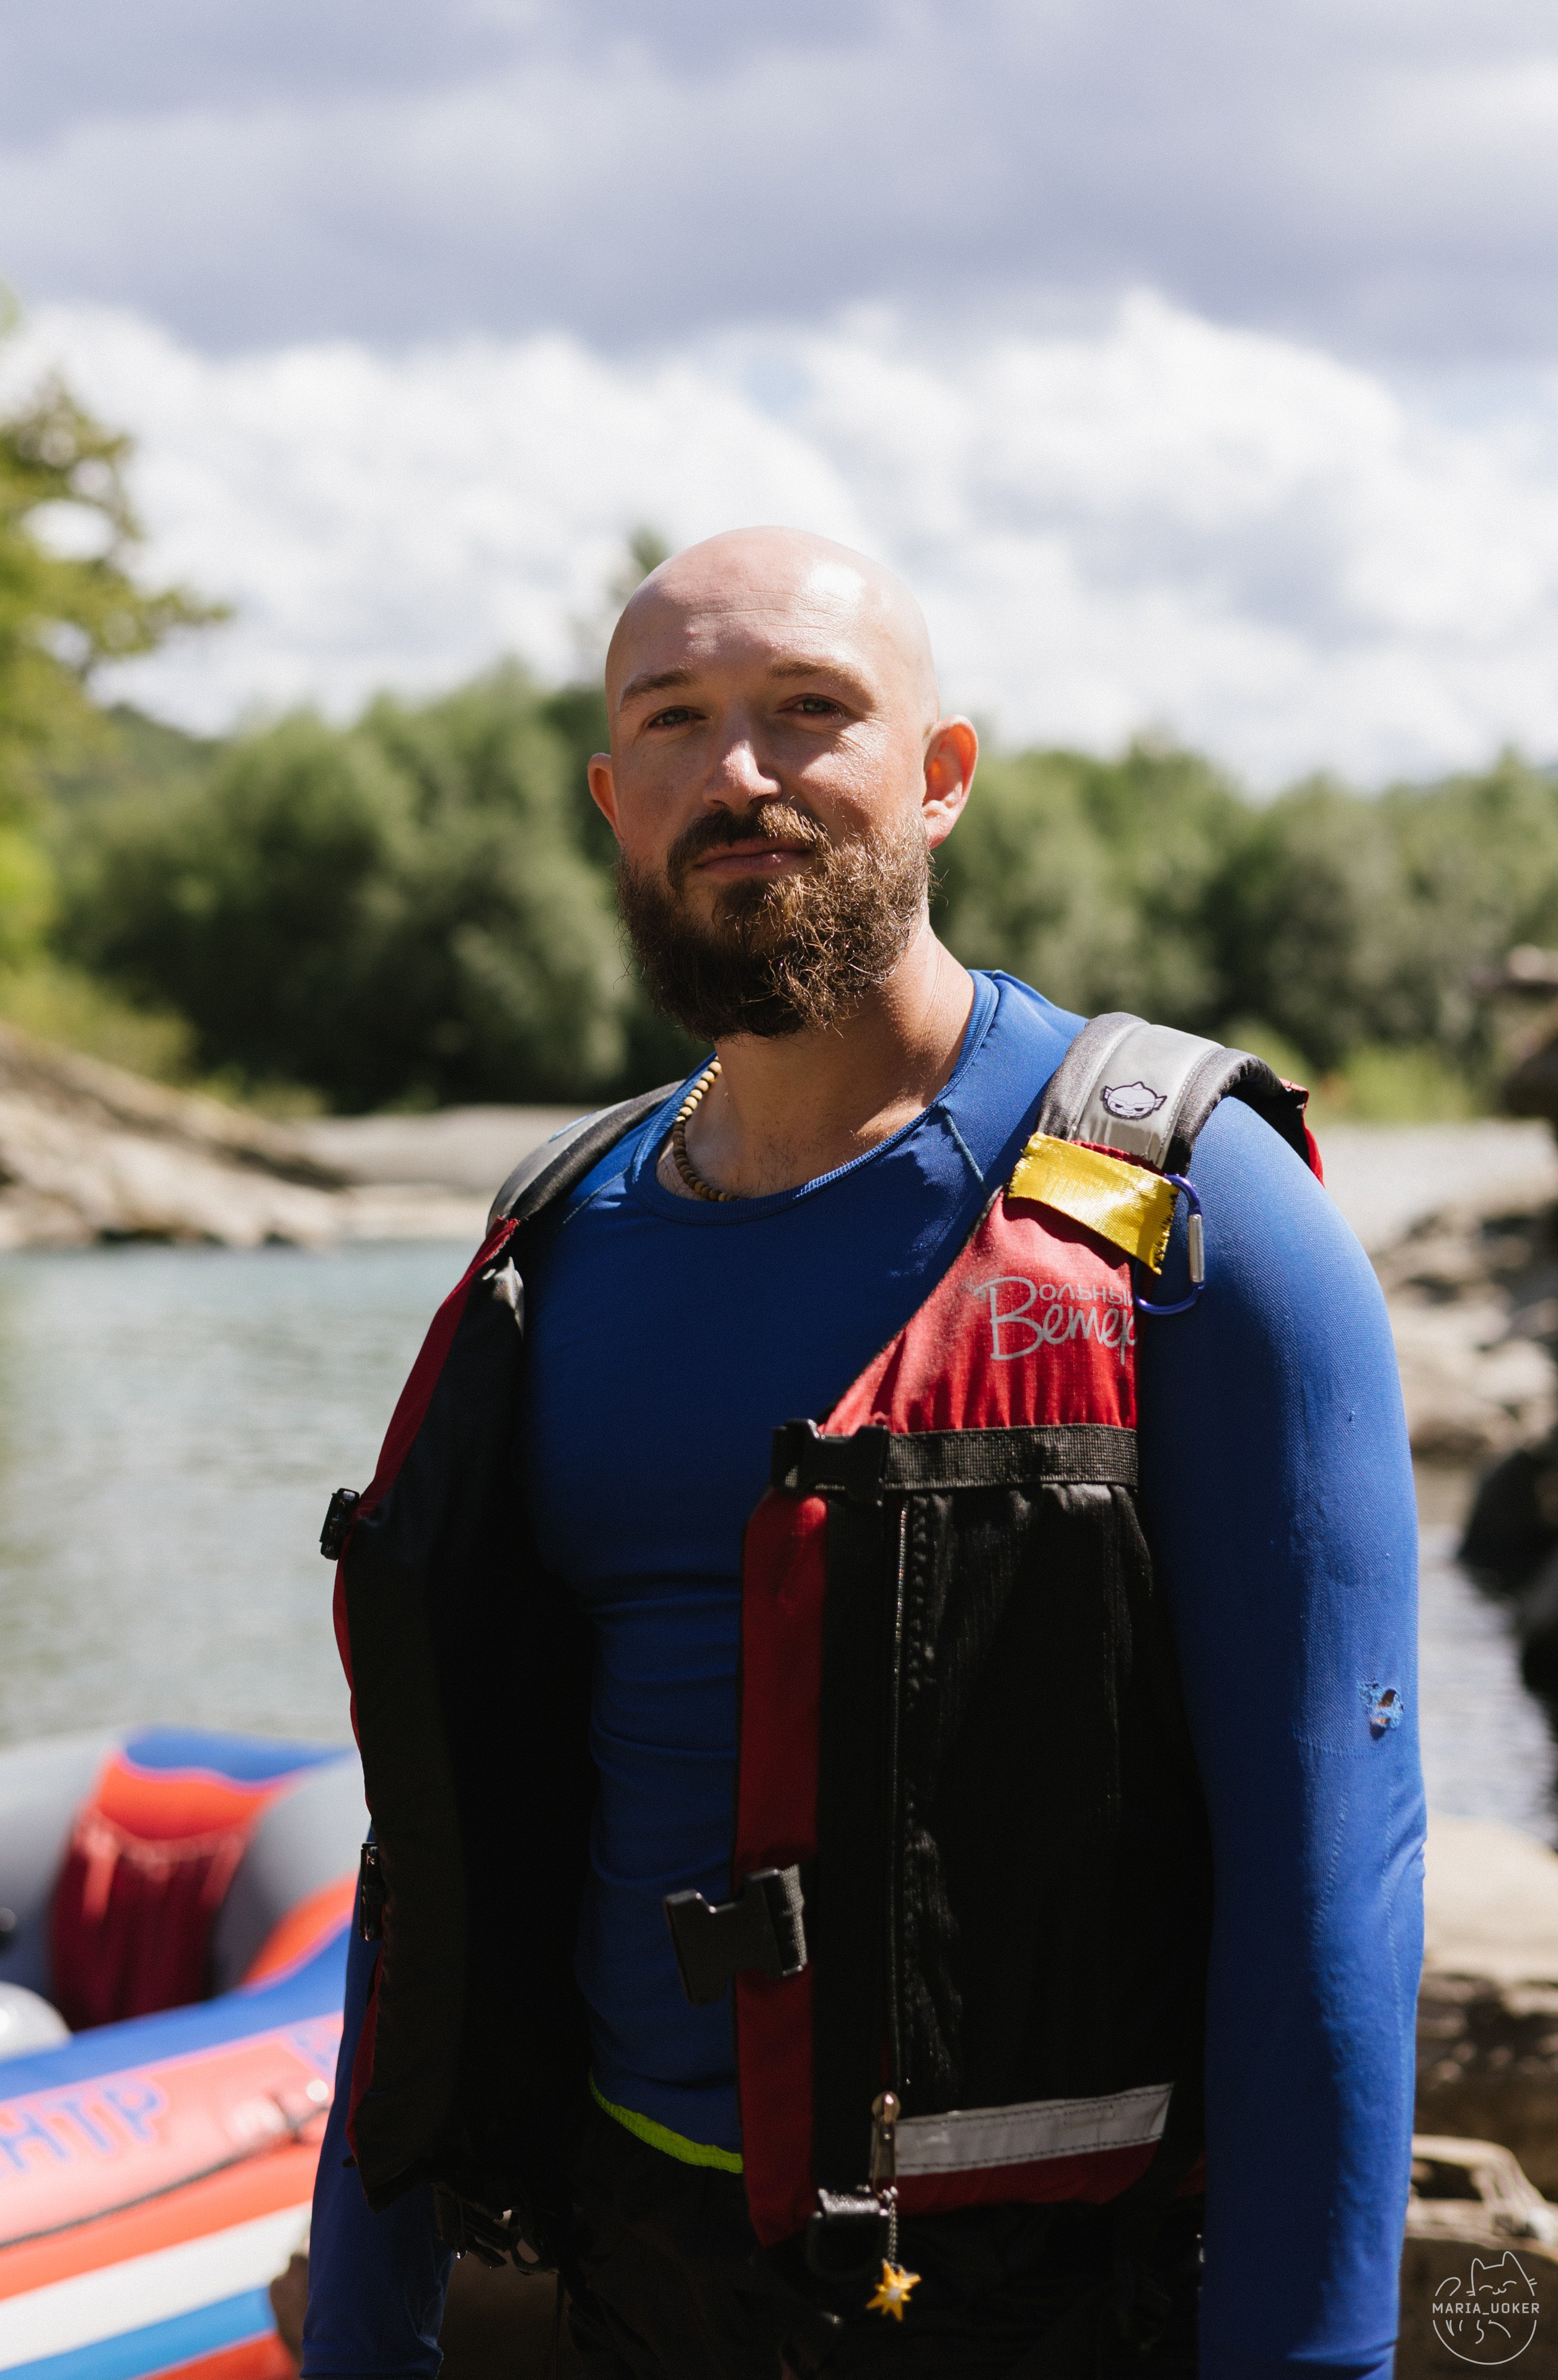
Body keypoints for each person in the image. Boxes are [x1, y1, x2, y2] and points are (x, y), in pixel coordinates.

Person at [302, 528, 1423, 2379]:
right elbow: (429, 1840)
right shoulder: (557, 1239)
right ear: (612, 800)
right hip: (632, 2272)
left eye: (810, 711)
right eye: (676, 721)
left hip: (1054, 2300)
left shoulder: (1191, 1207)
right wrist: (364, 2326)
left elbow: (1340, 1860)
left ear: (943, 776)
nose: (739, 771)